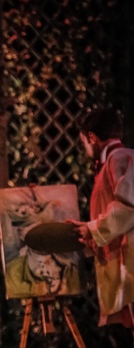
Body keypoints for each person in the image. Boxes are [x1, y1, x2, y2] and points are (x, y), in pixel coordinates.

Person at [68, 107, 134, 332]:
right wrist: (90, 235)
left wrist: (93, 228)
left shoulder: (121, 158)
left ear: (92, 138)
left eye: (84, 143)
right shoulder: (114, 162)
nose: (85, 149)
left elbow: (129, 206)